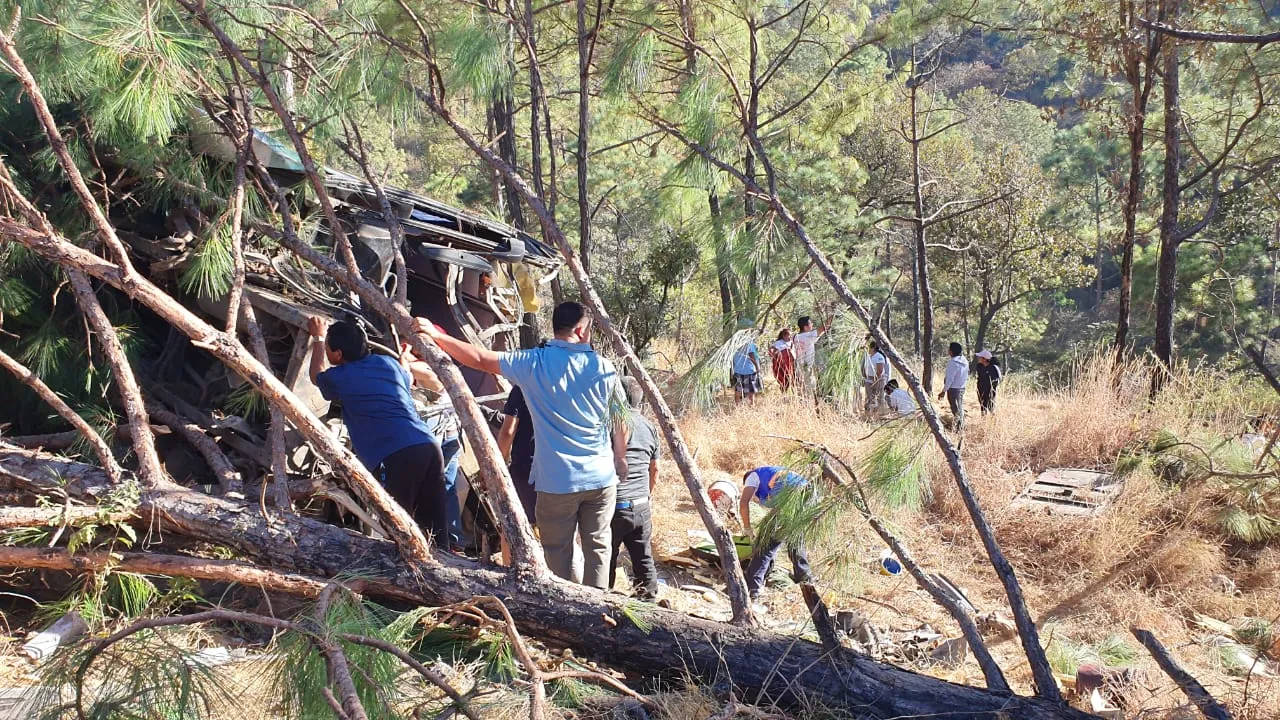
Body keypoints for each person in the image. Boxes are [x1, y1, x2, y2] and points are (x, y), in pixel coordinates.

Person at [415, 302, 627, 589]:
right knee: (599, 547)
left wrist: (437, 336)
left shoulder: (534, 363)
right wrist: (620, 457)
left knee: (558, 552)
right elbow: (620, 419)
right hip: (602, 479)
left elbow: (478, 357)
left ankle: (566, 613)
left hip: (558, 481)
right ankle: (598, 612)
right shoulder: (604, 368)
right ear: (581, 330)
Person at [307, 317, 447, 538]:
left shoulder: (342, 377)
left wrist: (317, 338)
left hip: (396, 456)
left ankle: (399, 570)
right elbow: (407, 376)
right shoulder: (387, 363)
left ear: (338, 355)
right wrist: (403, 360)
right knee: (434, 527)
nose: (326, 352)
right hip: (428, 446)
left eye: (327, 349)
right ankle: (442, 567)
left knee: (397, 528)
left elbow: (316, 375)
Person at [400, 326, 468, 550]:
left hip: (436, 435)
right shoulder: (445, 365)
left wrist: (404, 349)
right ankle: (452, 539)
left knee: (426, 485)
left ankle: (428, 537)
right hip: (450, 434)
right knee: (446, 486)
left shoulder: (428, 369)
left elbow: (403, 367)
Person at [610, 377, 660, 600]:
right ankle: (648, 603)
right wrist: (645, 496)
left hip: (614, 504)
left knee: (606, 557)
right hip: (641, 504)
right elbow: (655, 469)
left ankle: (604, 601)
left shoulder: (611, 424)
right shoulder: (650, 427)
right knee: (643, 557)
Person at [738, 465, 813, 601]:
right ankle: (806, 580)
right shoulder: (773, 474)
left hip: (791, 497)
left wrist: (747, 528)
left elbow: (744, 503)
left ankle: (752, 588)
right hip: (810, 497)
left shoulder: (752, 476)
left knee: (766, 544)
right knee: (795, 539)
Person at [497, 384, 538, 525]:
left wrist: (500, 463)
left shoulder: (522, 387)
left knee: (517, 523)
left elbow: (508, 431)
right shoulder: (564, 384)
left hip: (526, 465)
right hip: (557, 465)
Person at [791, 315, 827, 398]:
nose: (812, 325)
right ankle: (809, 407)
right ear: (805, 327)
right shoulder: (808, 336)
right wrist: (833, 315)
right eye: (810, 323)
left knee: (803, 388)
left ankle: (804, 405)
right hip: (807, 367)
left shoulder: (796, 336)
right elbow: (824, 328)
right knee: (810, 389)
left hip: (799, 366)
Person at [937, 341, 969, 430]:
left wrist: (943, 391)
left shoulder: (953, 362)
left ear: (951, 351)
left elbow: (949, 379)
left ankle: (960, 428)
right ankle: (961, 425)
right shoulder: (965, 361)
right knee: (959, 407)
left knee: (956, 409)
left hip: (953, 389)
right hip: (962, 387)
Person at [863, 339, 891, 416]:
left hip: (878, 379)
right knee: (869, 397)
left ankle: (880, 414)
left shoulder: (879, 357)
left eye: (869, 347)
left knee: (879, 397)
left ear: (872, 348)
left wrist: (875, 381)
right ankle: (869, 414)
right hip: (869, 379)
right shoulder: (868, 356)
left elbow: (880, 371)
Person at [732, 335, 763, 405]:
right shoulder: (749, 344)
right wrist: (757, 367)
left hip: (738, 370)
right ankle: (751, 406)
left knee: (738, 390)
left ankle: (737, 405)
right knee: (750, 391)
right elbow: (752, 356)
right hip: (748, 370)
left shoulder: (735, 344)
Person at [974, 350, 1002, 416]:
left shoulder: (994, 368)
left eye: (980, 357)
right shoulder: (979, 366)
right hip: (981, 390)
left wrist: (991, 387)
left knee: (991, 407)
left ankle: (993, 421)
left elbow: (997, 379)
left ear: (984, 359)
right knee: (983, 407)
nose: (978, 358)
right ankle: (983, 420)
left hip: (990, 391)